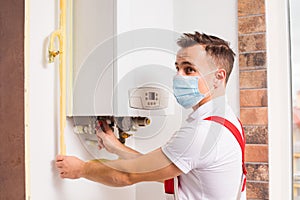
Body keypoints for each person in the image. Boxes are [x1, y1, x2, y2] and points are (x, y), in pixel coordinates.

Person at [56, 32, 246, 200]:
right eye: (177, 68)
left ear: (218, 77)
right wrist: (117, 148)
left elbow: (126, 176)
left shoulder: (201, 133)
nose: (178, 76)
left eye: (189, 69)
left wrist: (80, 168)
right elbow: (164, 169)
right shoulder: (228, 120)